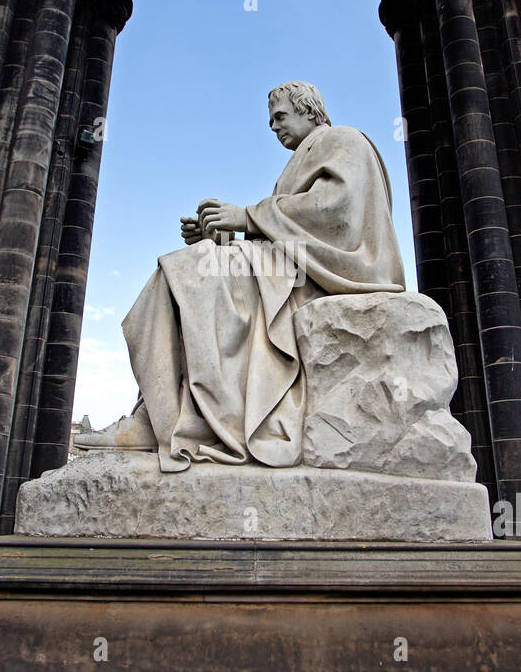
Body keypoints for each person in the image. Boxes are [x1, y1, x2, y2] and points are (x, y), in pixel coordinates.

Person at [78, 81, 405, 471]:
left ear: (309, 111)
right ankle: (163, 412)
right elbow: (286, 230)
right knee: (186, 271)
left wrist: (247, 218)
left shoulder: (343, 140)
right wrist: (219, 236)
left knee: (187, 274)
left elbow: (335, 212)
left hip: (325, 275)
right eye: (270, 121)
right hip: (292, 269)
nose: (274, 127)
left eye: (280, 117)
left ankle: (166, 419)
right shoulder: (304, 156)